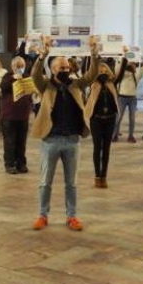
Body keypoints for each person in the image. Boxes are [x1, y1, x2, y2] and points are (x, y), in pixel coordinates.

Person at [30, 37, 99, 231]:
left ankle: (72, 216)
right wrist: (42, 55)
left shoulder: (76, 85)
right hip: (50, 140)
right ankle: (42, 215)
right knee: (45, 182)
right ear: (52, 69)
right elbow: (34, 74)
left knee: (72, 183)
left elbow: (92, 75)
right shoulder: (45, 86)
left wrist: (94, 54)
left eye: (67, 66)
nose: (65, 69)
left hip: (72, 141)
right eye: (61, 67)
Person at [86, 55, 125, 188]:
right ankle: (97, 176)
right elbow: (88, 68)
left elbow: (121, 72)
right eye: (100, 72)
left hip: (110, 119)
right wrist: (92, 54)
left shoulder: (112, 83)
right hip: (96, 120)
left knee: (107, 148)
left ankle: (104, 176)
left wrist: (124, 56)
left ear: (109, 72)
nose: (103, 74)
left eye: (105, 71)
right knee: (98, 148)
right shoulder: (93, 83)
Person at [0, 56, 33, 174]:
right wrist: (13, 78)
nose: (20, 68)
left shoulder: (27, 77)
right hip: (9, 116)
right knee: (10, 141)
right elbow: (3, 87)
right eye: (18, 66)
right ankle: (9, 164)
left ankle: (21, 163)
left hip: (23, 115)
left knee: (21, 141)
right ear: (12, 66)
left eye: (22, 66)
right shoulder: (7, 76)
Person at [112, 57, 143, 143]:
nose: (131, 64)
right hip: (122, 97)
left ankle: (130, 136)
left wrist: (142, 61)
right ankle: (115, 135)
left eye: (133, 63)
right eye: (130, 63)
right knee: (119, 118)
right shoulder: (121, 75)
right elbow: (117, 69)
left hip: (132, 98)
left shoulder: (135, 75)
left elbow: (141, 72)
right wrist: (120, 59)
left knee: (131, 118)